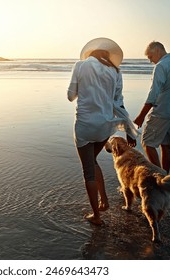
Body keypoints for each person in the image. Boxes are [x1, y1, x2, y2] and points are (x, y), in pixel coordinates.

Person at [67, 38, 138, 225]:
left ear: (90, 53)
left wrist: (85, 90)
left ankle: (96, 217)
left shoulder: (80, 66)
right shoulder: (115, 71)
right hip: (105, 128)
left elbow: (70, 96)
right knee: (92, 160)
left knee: (88, 172)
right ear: (108, 56)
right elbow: (118, 103)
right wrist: (130, 130)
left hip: (84, 126)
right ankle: (104, 201)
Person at [134, 41, 170, 174]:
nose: (151, 61)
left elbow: (153, 93)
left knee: (147, 143)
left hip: (162, 112)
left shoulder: (161, 66)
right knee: (166, 145)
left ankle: (159, 177)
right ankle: (166, 177)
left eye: (150, 57)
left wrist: (141, 116)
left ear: (157, 50)